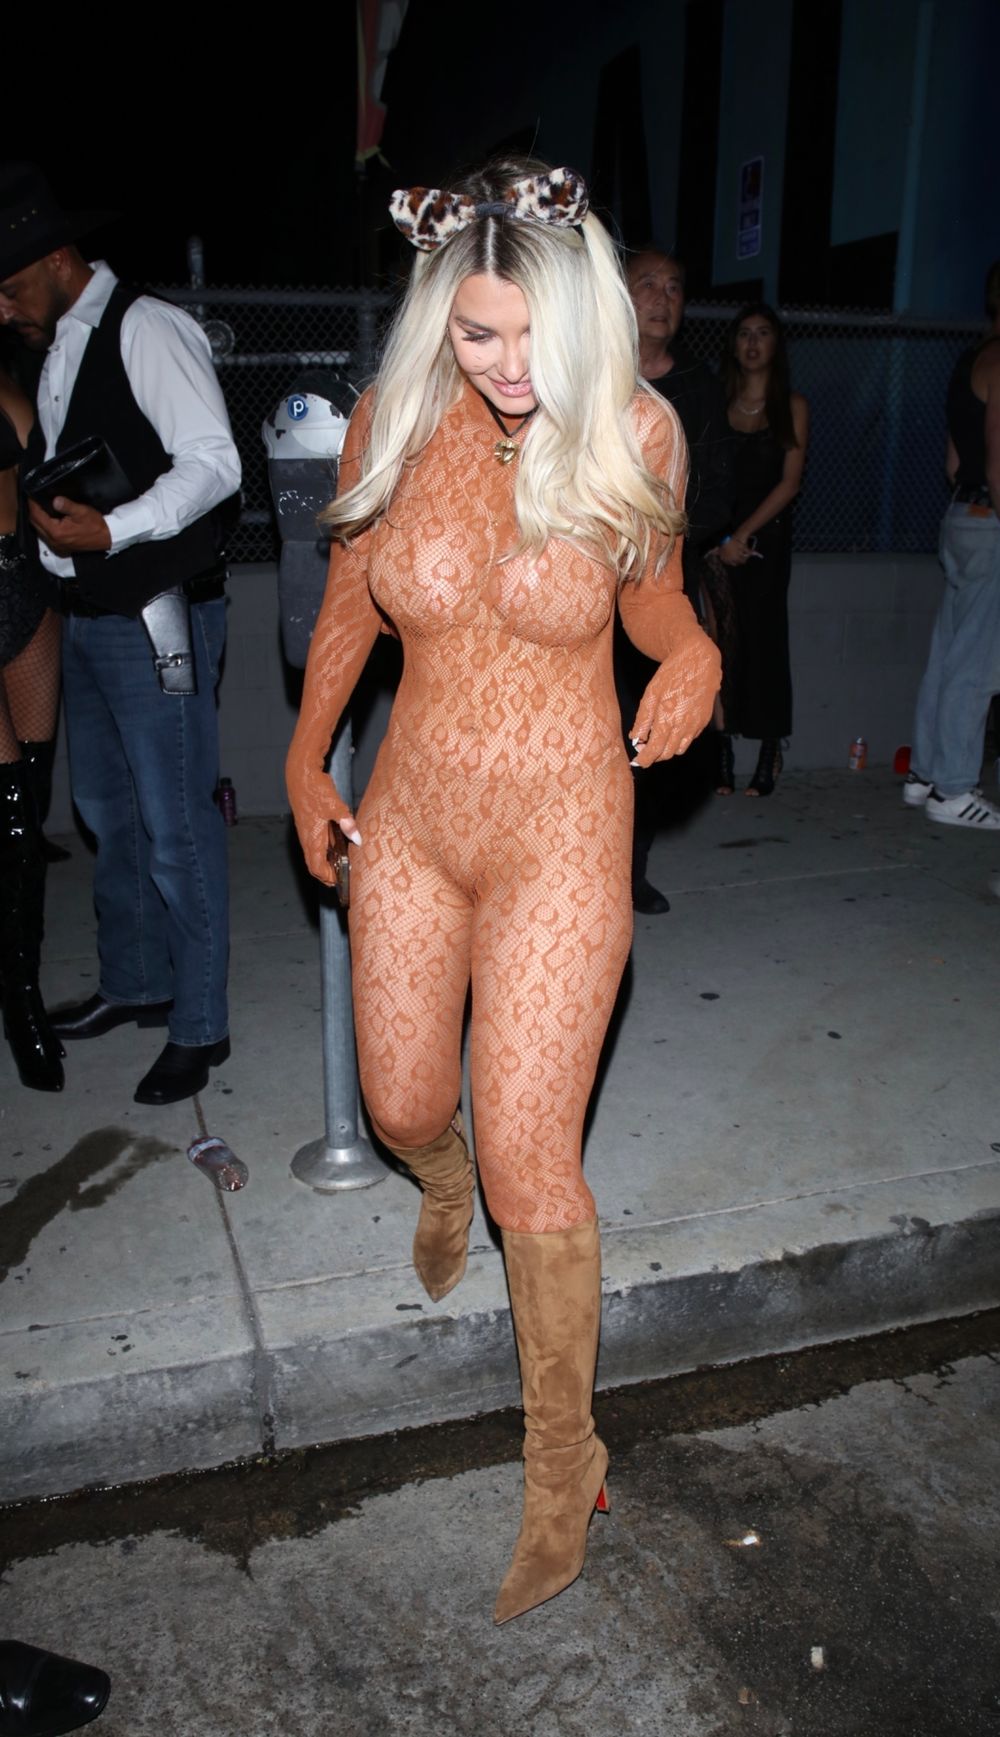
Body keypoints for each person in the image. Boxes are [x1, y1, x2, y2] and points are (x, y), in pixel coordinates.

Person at [286, 158, 720, 1624]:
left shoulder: (634, 425)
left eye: (536, 331)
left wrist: (694, 654)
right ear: (440, 320)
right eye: (479, 332)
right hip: (411, 817)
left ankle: (561, 1465)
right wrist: (302, 758)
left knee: (537, 1153)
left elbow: (652, 596)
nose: (511, 364)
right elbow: (349, 607)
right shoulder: (392, 418)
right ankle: (439, 1175)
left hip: (561, 829)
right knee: (405, 1103)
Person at [0, 163, 242, 1104]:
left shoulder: (146, 326)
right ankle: (137, 982)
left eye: (10, 288)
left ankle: (201, 1023)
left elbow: (215, 464)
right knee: (108, 815)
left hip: (159, 614)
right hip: (90, 617)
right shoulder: (60, 342)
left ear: (58, 260)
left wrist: (114, 528)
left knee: (177, 825)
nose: (3, 309)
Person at [621, 247, 733, 909]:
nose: (662, 298)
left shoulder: (699, 387)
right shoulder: (588, 373)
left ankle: (629, 872)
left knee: (648, 735)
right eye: (648, 284)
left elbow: (720, 492)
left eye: (674, 287)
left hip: (661, 583)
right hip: (580, 588)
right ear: (620, 293)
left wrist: (656, 533)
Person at [903, 261, 1000, 828]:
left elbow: (953, 461)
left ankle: (924, 776)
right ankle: (955, 791)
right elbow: (997, 454)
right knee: (977, 663)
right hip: (991, 520)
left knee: (947, 656)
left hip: (962, 514)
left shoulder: (971, 360)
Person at [0, 360, 65, 1090]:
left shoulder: (23, 370)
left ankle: (23, 980)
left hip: (24, 579)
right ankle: (22, 1006)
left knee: (33, 797)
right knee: (12, 815)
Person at [714, 303, 808, 796]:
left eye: (763, 333)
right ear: (733, 344)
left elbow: (789, 483)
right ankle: (721, 749)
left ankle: (770, 749)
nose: (752, 343)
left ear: (776, 344)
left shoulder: (792, 406)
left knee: (767, 644)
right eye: (745, 333)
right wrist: (721, 540)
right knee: (720, 644)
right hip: (719, 542)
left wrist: (744, 535)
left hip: (764, 542)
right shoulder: (719, 403)